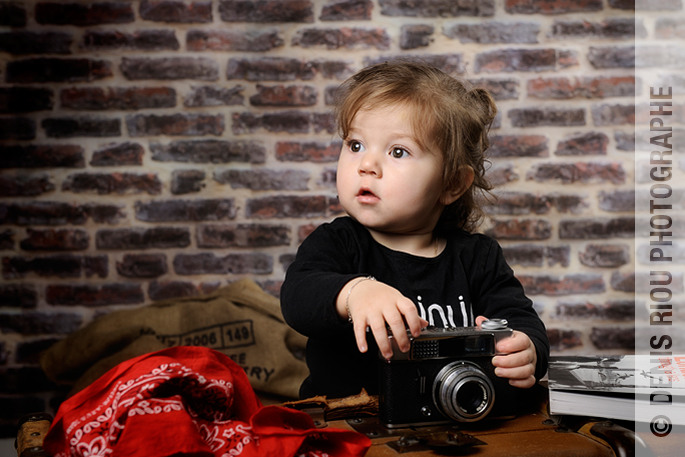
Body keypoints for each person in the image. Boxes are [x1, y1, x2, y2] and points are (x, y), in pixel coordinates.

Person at [280, 60, 549, 400]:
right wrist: (353, 293)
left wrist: (528, 352)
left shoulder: (478, 258)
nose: (366, 165)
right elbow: (297, 298)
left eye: (398, 151)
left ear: (451, 184)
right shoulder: (338, 243)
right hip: (352, 422)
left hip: (451, 420)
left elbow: (520, 320)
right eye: (355, 145)